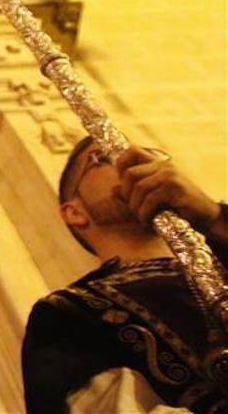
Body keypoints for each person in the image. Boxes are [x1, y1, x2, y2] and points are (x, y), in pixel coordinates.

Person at [22, 136, 228, 413]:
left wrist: (215, 218)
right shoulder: (69, 314)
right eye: (104, 157)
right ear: (75, 212)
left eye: (146, 152)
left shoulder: (220, 256)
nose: (135, 159)